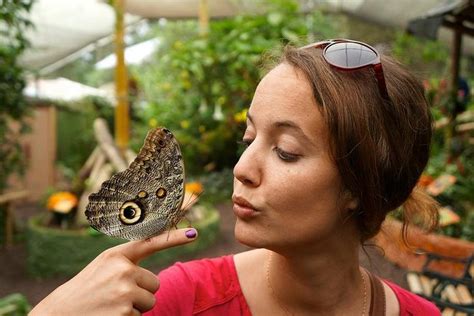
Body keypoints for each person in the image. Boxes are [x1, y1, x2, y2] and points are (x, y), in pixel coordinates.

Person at [30, 39, 441, 315]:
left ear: (360, 185)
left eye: (285, 151)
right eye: (249, 137)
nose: (242, 168)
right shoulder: (178, 299)